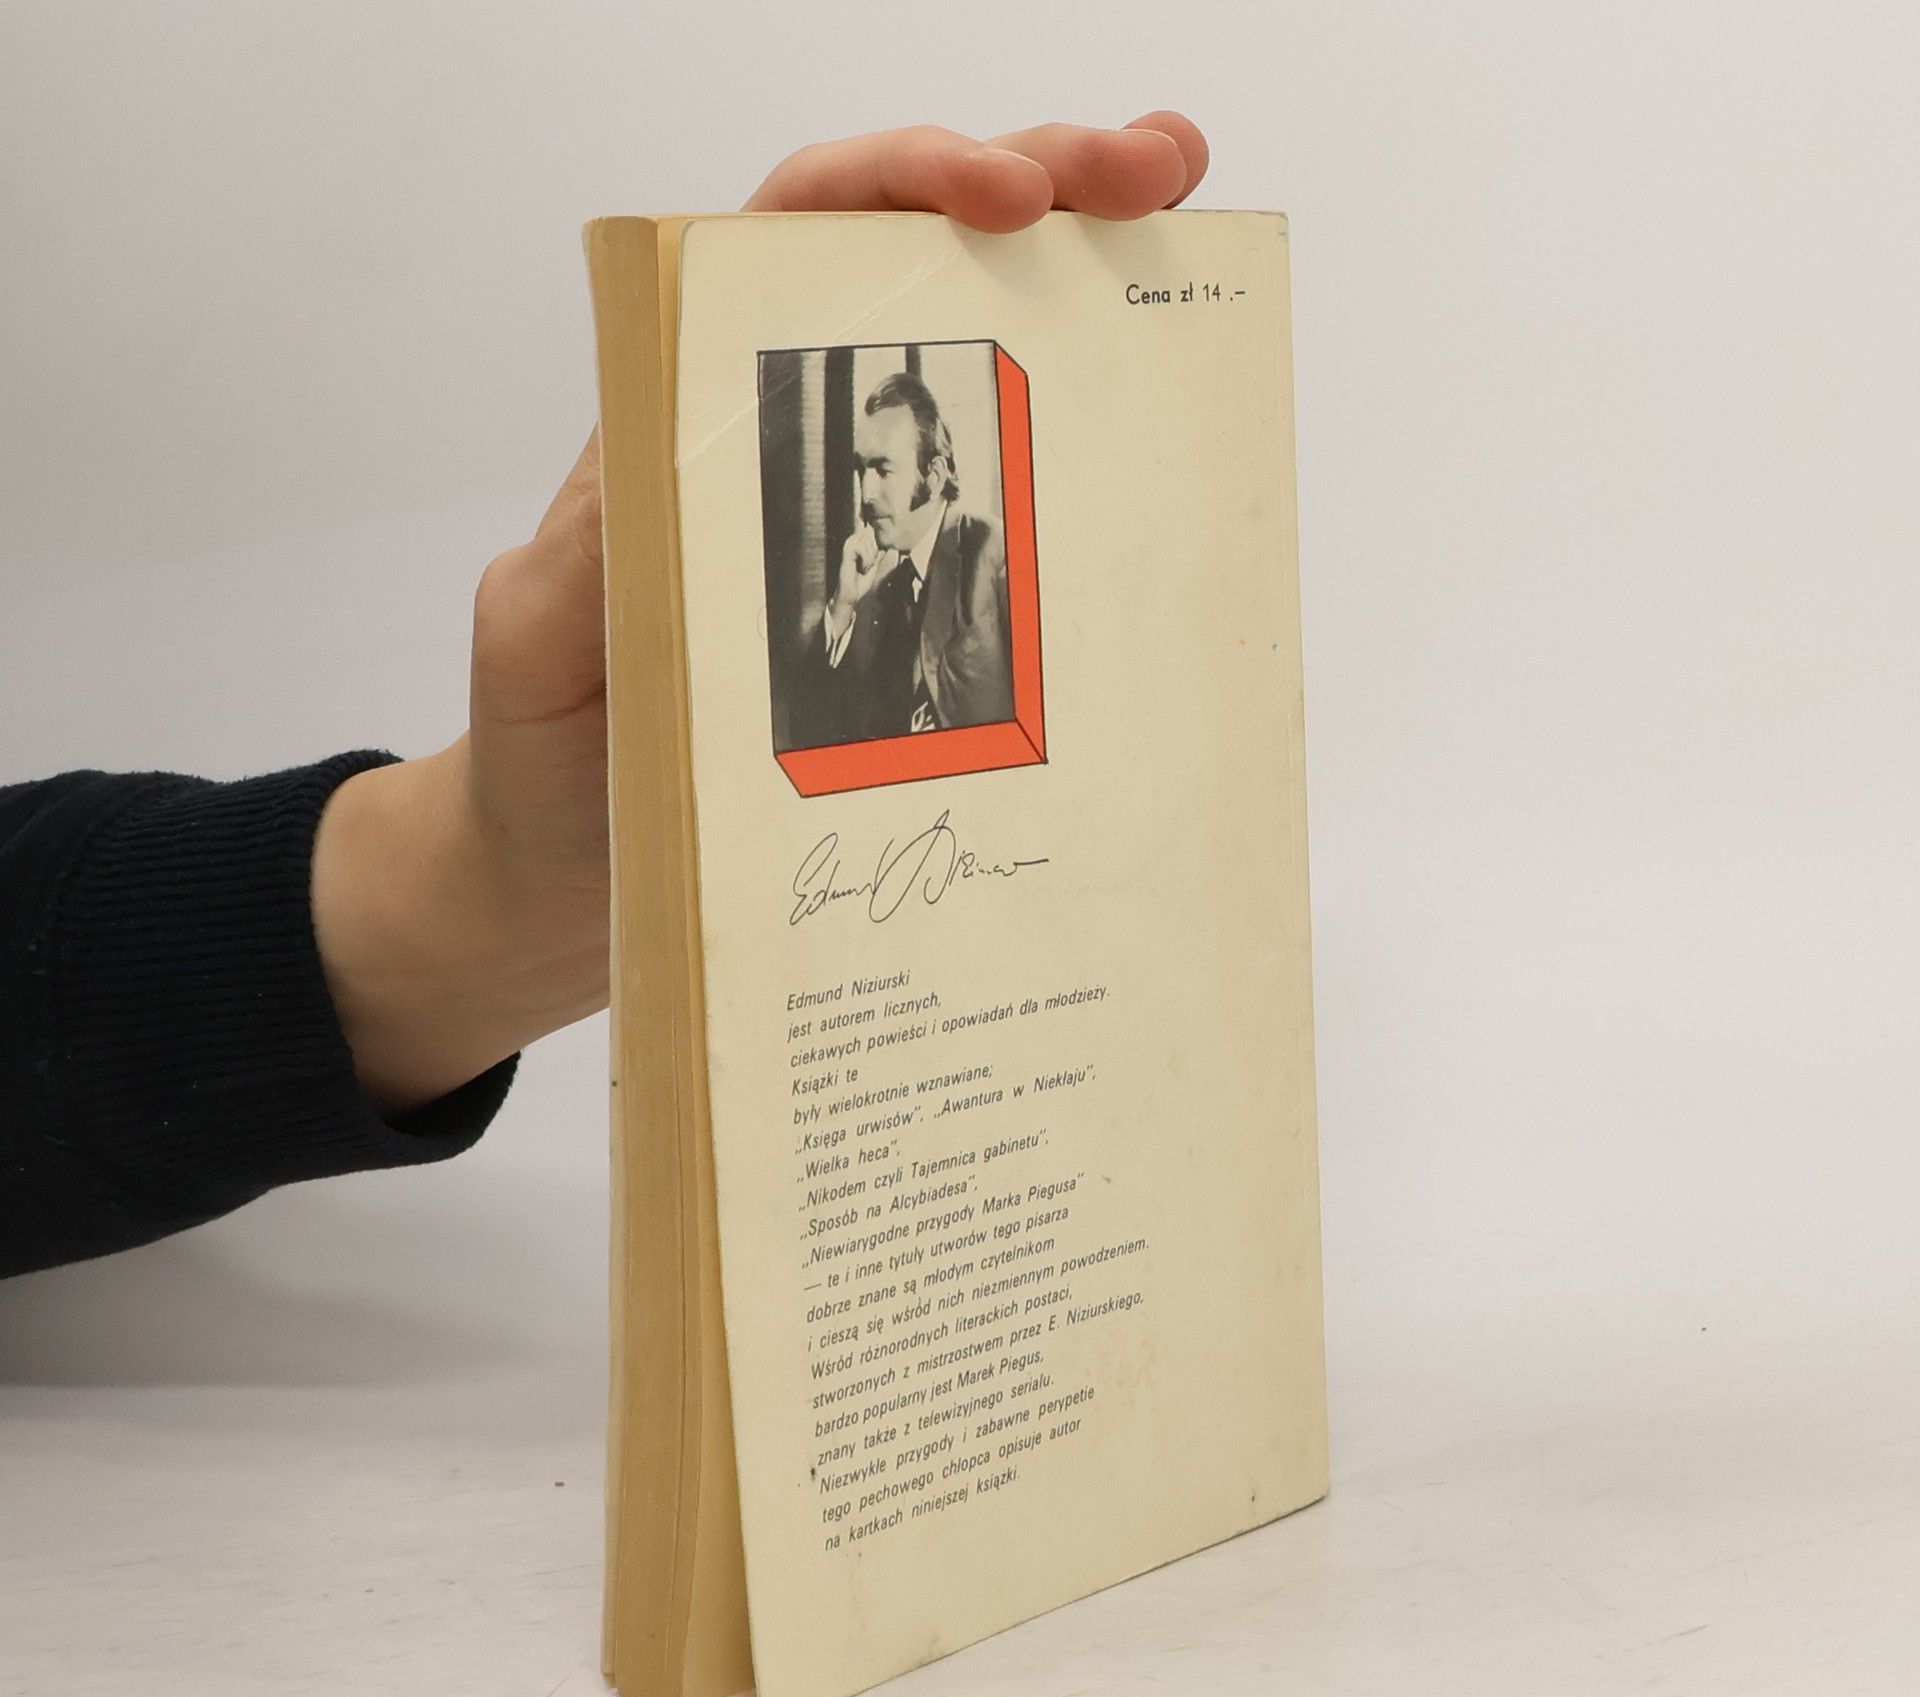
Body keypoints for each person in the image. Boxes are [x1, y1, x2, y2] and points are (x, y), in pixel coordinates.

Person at [0, 114, 1209, 1282]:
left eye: (880, 470)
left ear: (938, 470)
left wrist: (495, 895)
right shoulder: (876, 582)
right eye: (853, 470)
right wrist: (836, 617)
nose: (863, 495)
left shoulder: (984, 556)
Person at [803, 369, 1014, 744]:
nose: (866, 493)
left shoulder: (994, 551)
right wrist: (843, 604)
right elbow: (813, 732)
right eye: (861, 470)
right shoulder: (876, 590)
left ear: (933, 476)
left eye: (883, 470)